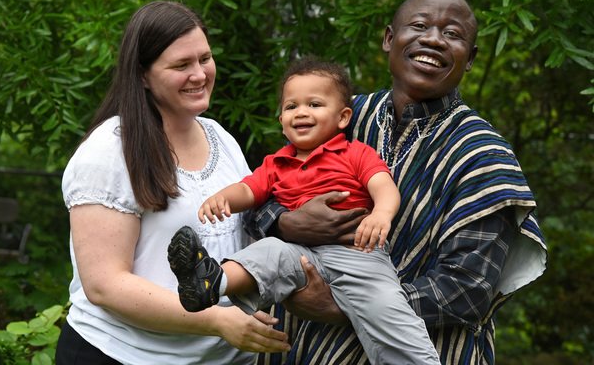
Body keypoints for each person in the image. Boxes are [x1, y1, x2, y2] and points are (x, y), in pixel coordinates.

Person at [249, 0, 548, 365]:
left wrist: (342, 305)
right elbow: (257, 198)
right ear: (390, 39)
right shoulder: (339, 117)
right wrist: (287, 223)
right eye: (419, 26)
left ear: (470, 58)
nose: (434, 39)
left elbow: (468, 287)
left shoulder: (484, 155)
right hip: (302, 348)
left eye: (452, 34)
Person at [55, 0, 290, 365]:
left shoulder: (221, 139)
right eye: (181, 65)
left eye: (205, 58)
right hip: (121, 356)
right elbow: (105, 286)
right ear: (142, 75)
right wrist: (216, 321)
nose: (199, 74)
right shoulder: (109, 152)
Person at [167, 56, 440, 365]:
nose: (301, 112)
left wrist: (381, 215)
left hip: (357, 254)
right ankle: (211, 282)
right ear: (282, 121)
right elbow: (248, 190)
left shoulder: (355, 153)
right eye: (291, 106)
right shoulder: (275, 164)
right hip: (299, 252)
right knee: (268, 253)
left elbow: (384, 187)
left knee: (387, 309)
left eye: (314, 104)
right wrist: (223, 198)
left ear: (343, 117)